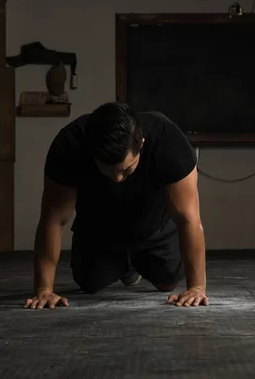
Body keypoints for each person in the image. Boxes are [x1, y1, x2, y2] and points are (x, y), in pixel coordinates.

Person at [24, 102, 208, 309]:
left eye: (126, 170)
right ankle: (125, 264)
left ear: (142, 145)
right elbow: (53, 220)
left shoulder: (169, 143)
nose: (117, 179)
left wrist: (197, 288)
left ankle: (139, 261)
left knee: (167, 280)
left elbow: (188, 219)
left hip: (153, 223)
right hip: (97, 224)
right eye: (107, 170)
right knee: (89, 282)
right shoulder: (69, 146)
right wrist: (43, 290)